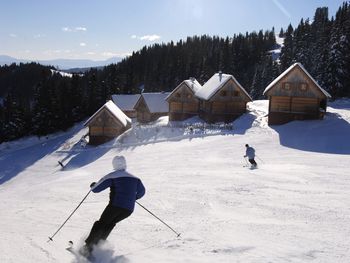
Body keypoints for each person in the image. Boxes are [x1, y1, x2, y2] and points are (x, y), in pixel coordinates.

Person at [81, 155, 146, 257]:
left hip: (115, 206)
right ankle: (98, 246)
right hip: (128, 210)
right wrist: (133, 198)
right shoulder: (135, 178)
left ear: (114, 164)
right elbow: (142, 192)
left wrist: (93, 185)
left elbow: (96, 189)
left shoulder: (112, 176)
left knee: (101, 223)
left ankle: (87, 248)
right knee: (110, 224)